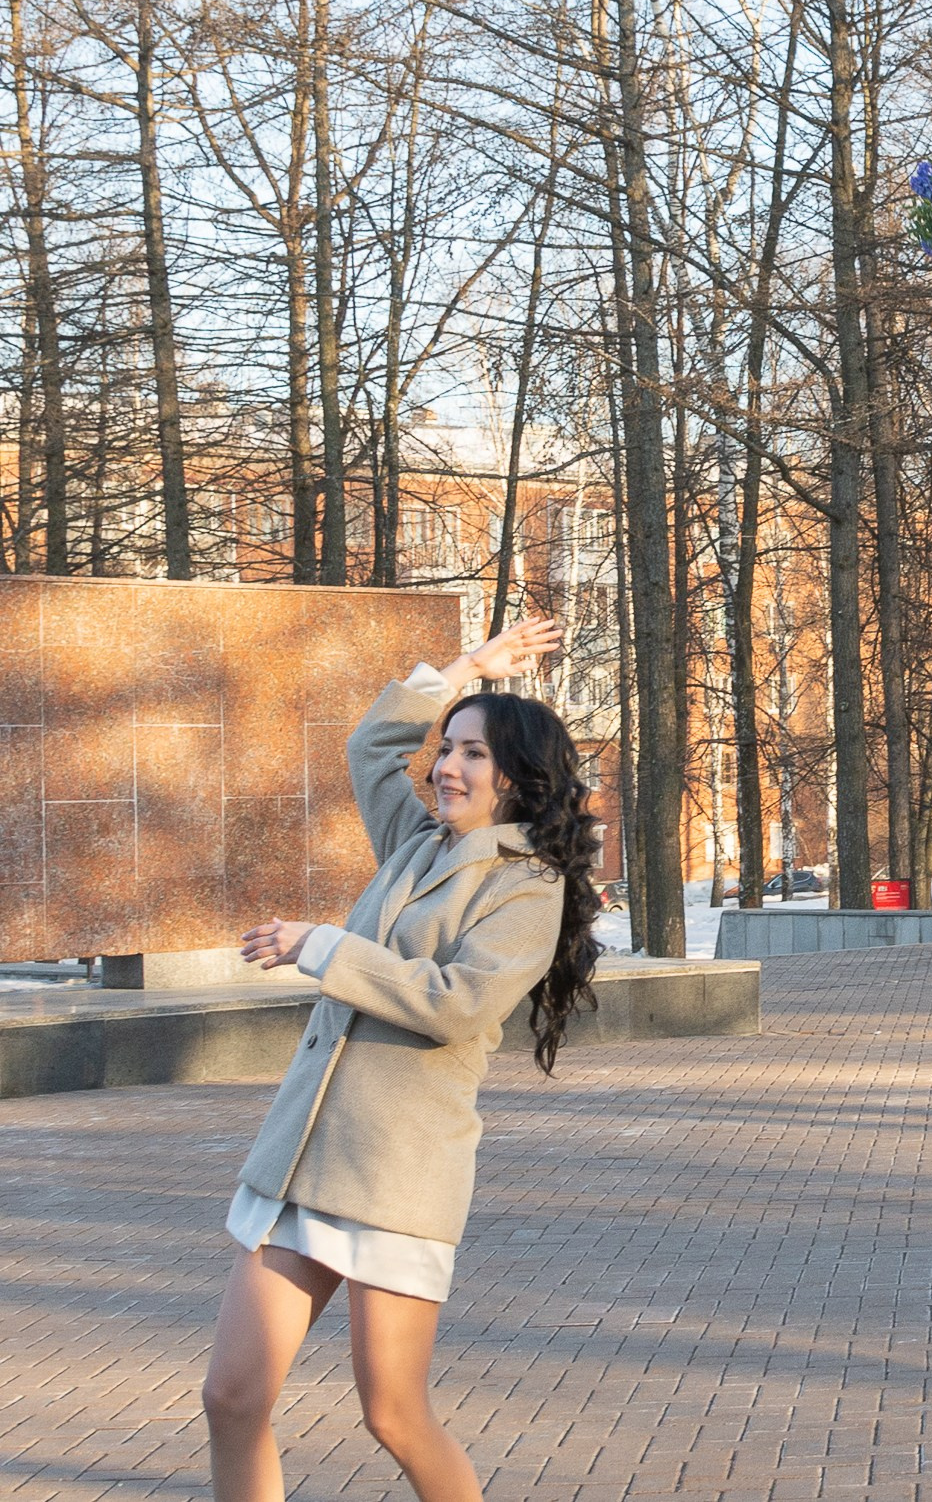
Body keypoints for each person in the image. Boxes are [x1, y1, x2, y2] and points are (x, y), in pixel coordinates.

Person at [202, 619, 600, 1502]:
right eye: (446, 747)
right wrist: (470, 669)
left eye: (472, 753)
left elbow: (459, 1001)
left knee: (393, 1414)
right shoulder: (417, 841)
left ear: (518, 777)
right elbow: (370, 743)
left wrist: (325, 946)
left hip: (396, 1175)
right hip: (303, 1160)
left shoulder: (528, 886)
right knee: (232, 1397)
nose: (445, 767)